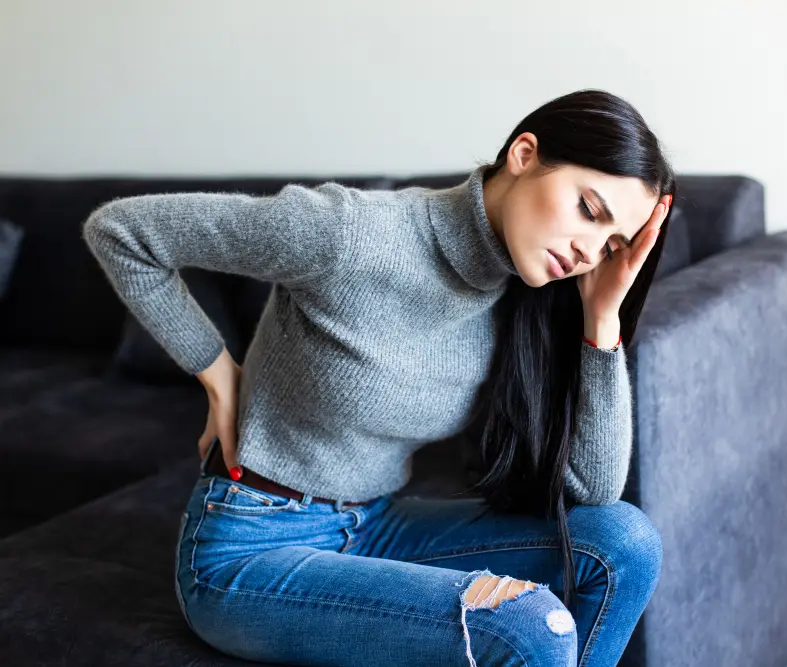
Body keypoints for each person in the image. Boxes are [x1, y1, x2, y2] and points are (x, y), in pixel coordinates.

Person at [83, 88, 677, 667]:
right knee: (527, 629)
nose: (588, 251)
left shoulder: (527, 295)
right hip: (250, 546)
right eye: (589, 210)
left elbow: (595, 491)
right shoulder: (346, 231)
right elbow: (123, 232)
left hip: (374, 525)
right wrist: (218, 374)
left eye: (611, 244)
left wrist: (602, 319)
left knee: (624, 543)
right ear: (524, 154)